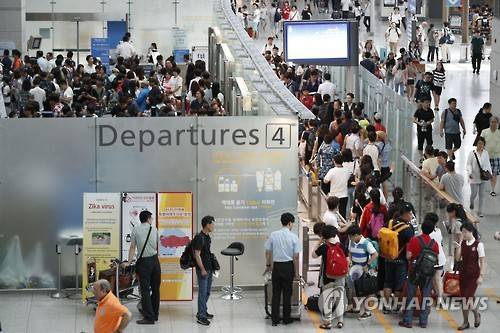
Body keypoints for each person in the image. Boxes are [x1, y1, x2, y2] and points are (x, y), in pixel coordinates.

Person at [399, 217, 439, 329]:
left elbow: (408, 256)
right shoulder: (434, 244)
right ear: (432, 230)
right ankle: (423, 322)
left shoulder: (414, 240)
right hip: (428, 275)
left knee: (410, 296)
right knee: (426, 297)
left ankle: (407, 320)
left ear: (422, 228)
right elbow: (436, 259)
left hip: (414, 273)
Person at [264, 213, 301, 327]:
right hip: (288, 266)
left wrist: (269, 265)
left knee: (275, 293)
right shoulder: (294, 237)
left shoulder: (273, 235)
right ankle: (286, 318)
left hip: (277, 267)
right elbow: (296, 257)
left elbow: (267, 251)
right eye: (292, 223)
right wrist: (296, 273)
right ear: (290, 223)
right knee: (287, 293)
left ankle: (274, 319)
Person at [126, 210, 160, 325]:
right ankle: (155, 314)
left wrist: (129, 262)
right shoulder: (154, 229)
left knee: (145, 290)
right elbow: (156, 245)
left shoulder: (135, 229)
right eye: (151, 218)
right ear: (148, 218)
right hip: (155, 261)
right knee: (155, 289)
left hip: (144, 263)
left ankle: (149, 317)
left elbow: (132, 247)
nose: (152, 220)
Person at [312, 225, 346, 329]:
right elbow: (348, 259)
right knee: (339, 299)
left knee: (327, 299)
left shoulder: (324, 247)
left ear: (324, 236)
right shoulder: (341, 246)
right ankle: (340, 321)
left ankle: (328, 323)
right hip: (340, 276)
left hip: (328, 277)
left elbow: (313, 255)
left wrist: (319, 242)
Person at [383, 203, 414, 314]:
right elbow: (411, 245)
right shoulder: (408, 229)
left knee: (388, 282)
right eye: (410, 213)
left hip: (388, 258)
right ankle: (396, 307)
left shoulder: (390, 223)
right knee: (399, 286)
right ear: (405, 214)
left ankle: (386, 306)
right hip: (400, 260)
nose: (411, 215)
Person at [456, 222, 486, 330]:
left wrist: (481, 276)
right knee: (466, 298)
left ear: (471, 231)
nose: (463, 234)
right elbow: (457, 258)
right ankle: (466, 321)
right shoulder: (463, 243)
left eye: (465, 232)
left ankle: (475, 315)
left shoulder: (479, 245)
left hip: (473, 275)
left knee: (466, 298)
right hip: (463, 274)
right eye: (462, 232)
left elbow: (482, 262)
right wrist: (459, 245)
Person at [346, 224, 378, 320]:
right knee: (353, 289)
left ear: (356, 235)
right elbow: (350, 252)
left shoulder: (366, 243)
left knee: (367, 291)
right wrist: (350, 260)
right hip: (354, 269)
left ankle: (367, 312)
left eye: (350, 236)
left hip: (365, 271)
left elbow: (375, 254)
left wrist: (367, 265)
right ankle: (356, 308)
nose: (349, 238)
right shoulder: (351, 242)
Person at [193, 215, 216, 326]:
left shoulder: (207, 237)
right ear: (207, 225)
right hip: (203, 269)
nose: (213, 226)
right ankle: (201, 316)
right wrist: (202, 268)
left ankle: (202, 311)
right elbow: (197, 254)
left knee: (207, 292)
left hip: (209, 268)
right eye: (212, 224)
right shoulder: (199, 237)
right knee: (202, 293)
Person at [466, 137, 492, 218]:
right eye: (479, 143)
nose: (480, 145)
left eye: (482, 144)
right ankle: (471, 202)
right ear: (476, 144)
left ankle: (480, 211)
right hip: (474, 176)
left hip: (483, 177)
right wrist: (470, 172)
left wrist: (490, 173)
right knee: (474, 193)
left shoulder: (486, 153)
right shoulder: (472, 153)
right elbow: (468, 164)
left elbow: (488, 164)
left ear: (484, 145)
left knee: (482, 195)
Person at [323, 154, 352, 219]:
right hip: (344, 195)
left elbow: (325, 181)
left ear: (334, 161)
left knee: (332, 213)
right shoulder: (347, 170)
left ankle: (334, 225)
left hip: (333, 195)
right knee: (343, 213)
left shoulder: (332, 170)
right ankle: (343, 226)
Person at [427, 213, 446, 303]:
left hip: (429, 259)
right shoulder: (438, 231)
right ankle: (440, 299)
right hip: (440, 258)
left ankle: (429, 296)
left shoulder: (427, 232)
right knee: (438, 279)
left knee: (429, 278)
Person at [480, 116, 500, 196]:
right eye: (492, 122)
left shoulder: (499, 132)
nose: (493, 124)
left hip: (496, 157)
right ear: (489, 122)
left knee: (494, 174)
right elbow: (480, 143)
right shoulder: (484, 132)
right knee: (485, 173)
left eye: (495, 122)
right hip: (486, 157)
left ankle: (492, 190)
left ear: (497, 123)